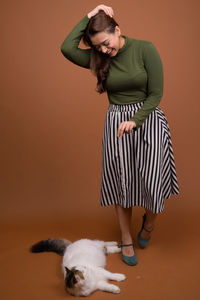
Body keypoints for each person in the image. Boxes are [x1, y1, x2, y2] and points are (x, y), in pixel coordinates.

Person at [60, 4, 179, 266]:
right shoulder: (98, 57)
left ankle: (149, 221)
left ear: (118, 30)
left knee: (153, 180)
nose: (103, 50)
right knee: (121, 183)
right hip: (117, 124)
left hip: (147, 120)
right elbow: (67, 48)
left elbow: (156, 94)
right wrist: (91, 14)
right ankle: (126, 238)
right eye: (97, 47)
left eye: (106, 42)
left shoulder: (145, 49)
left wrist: (135, 121)